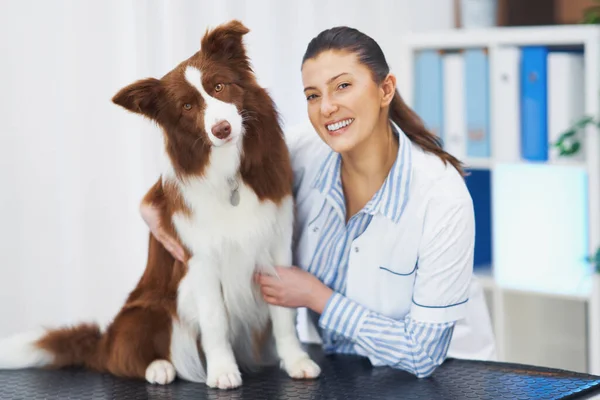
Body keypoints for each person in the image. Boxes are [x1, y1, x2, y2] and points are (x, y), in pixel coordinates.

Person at [140, 26, 496, 378]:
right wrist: (151, 209)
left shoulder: (441, 197)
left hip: (447, 375)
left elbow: (423, 355)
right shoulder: (301, 150)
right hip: (342, 371)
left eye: (343, 86)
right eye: (312, 95)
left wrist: (317, 297)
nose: (327, 107)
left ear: (385, 89)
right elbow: (197, 174)